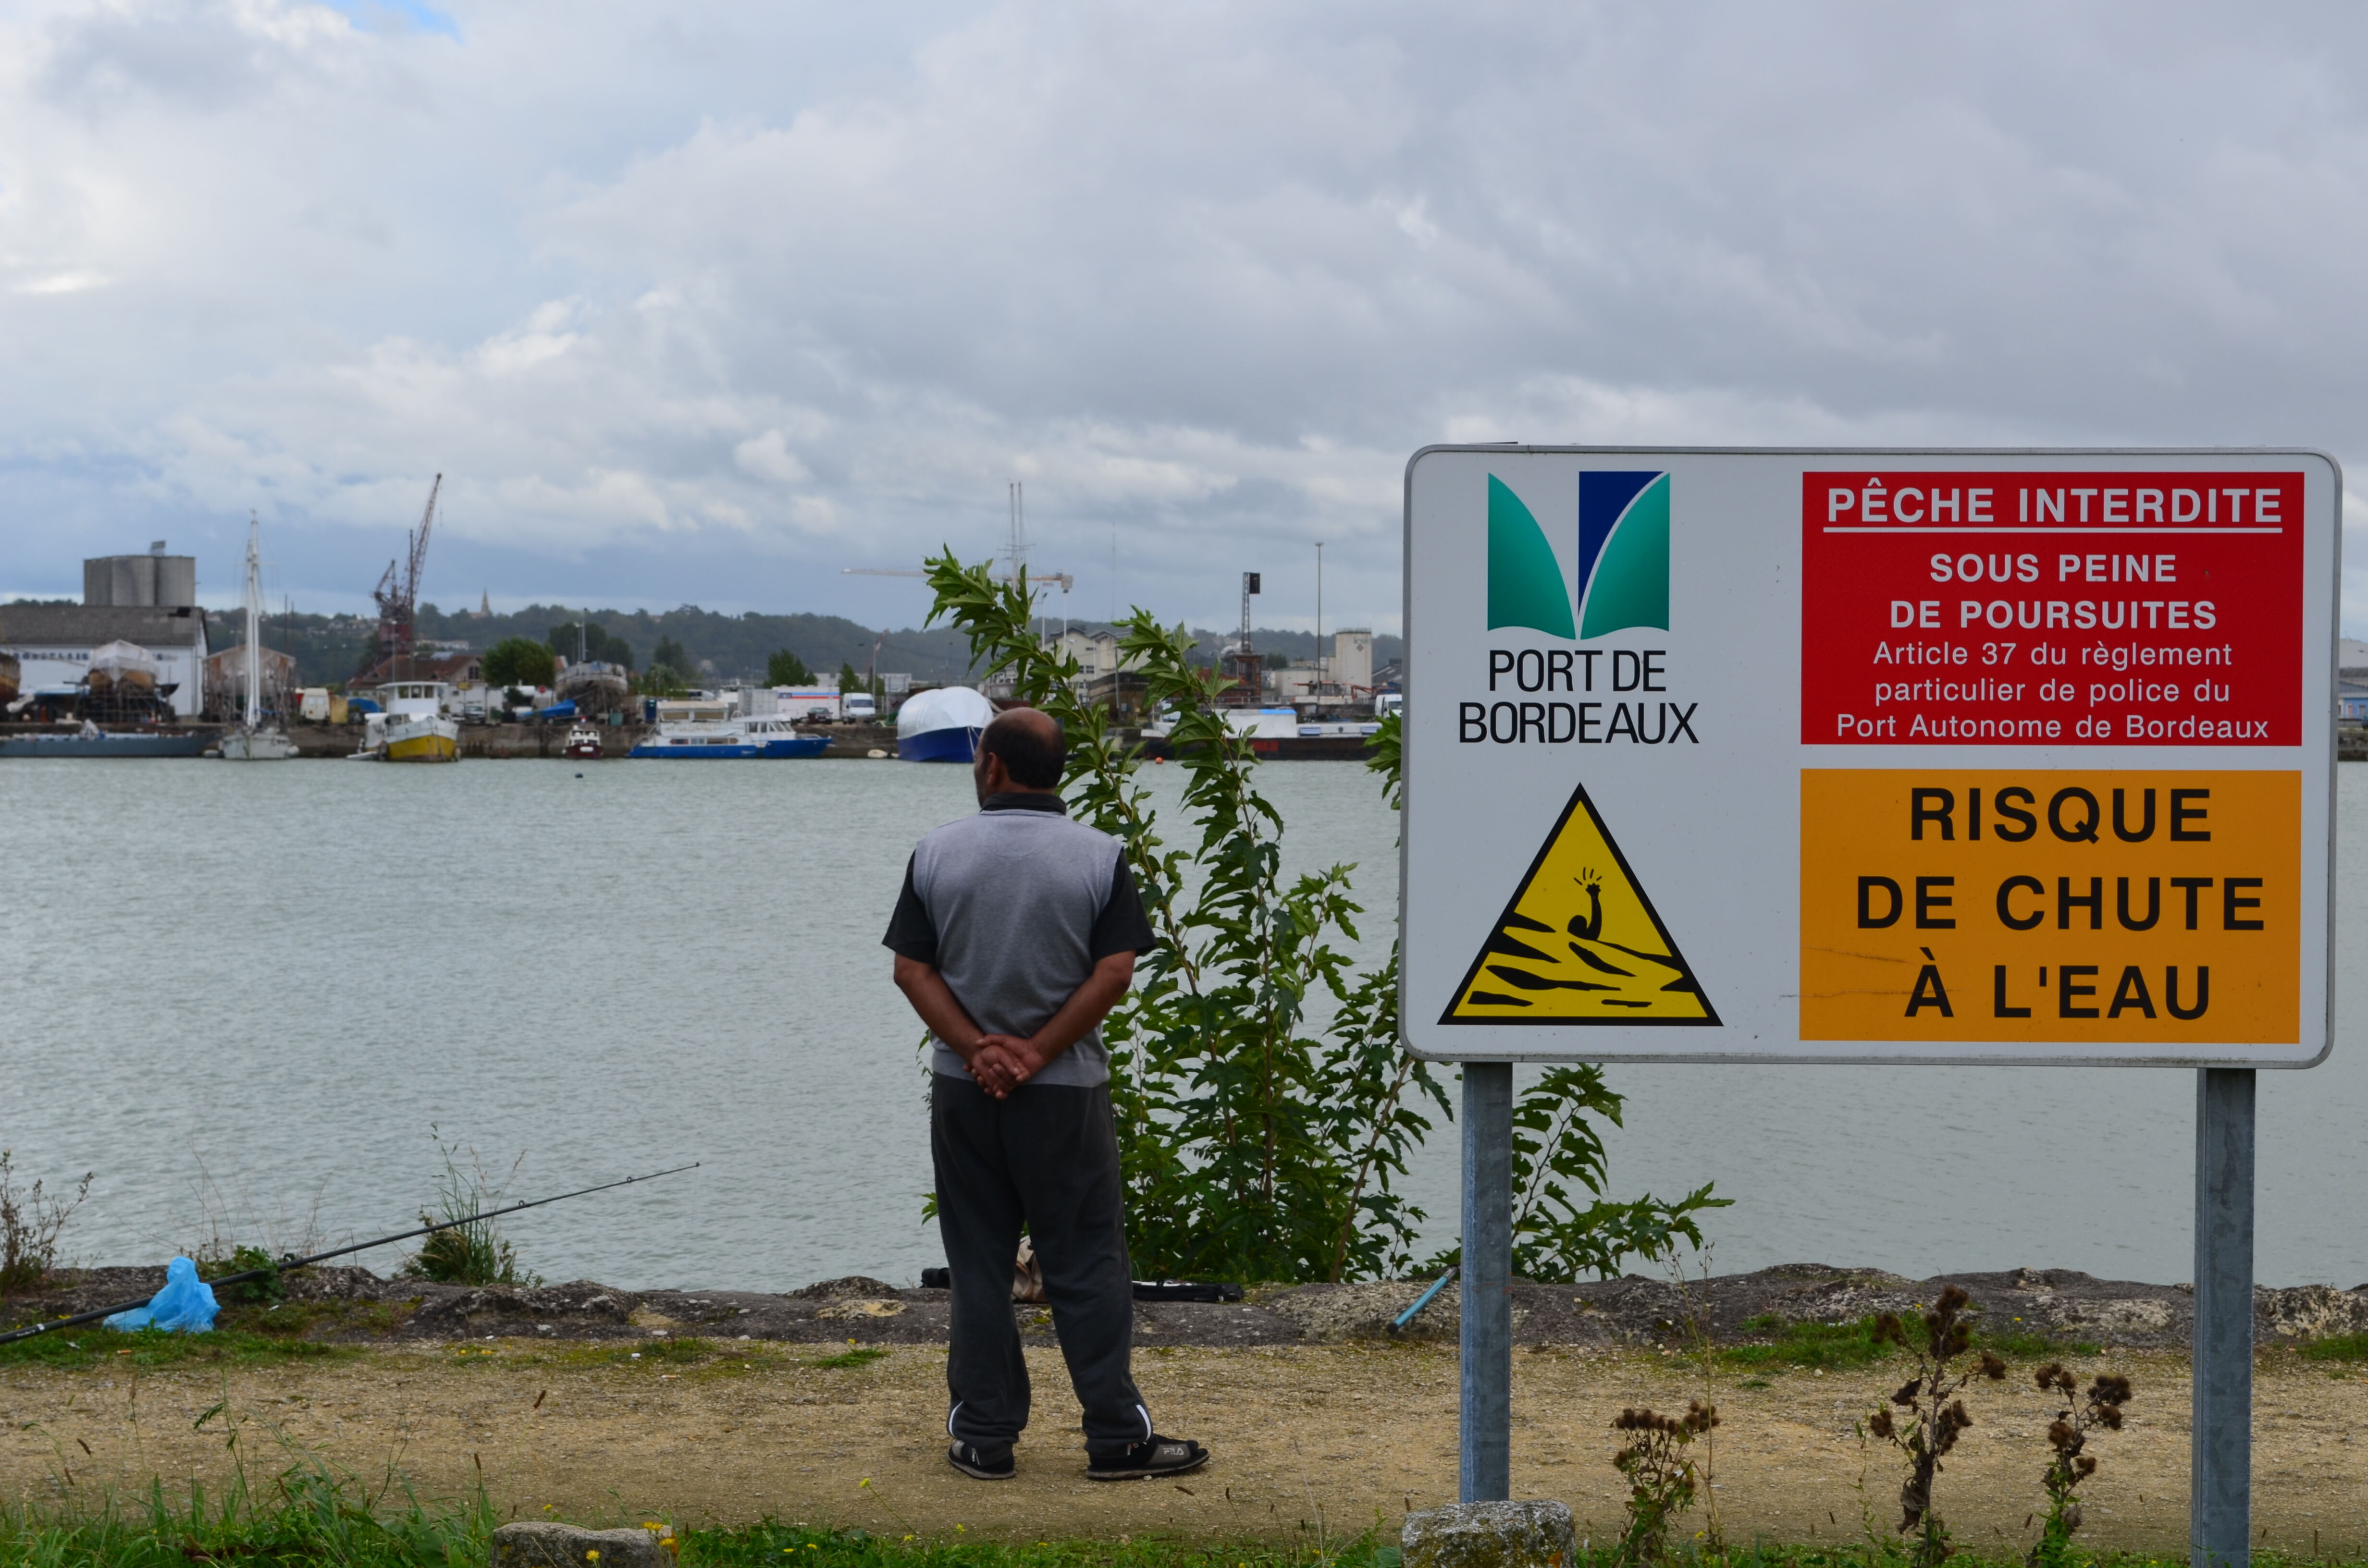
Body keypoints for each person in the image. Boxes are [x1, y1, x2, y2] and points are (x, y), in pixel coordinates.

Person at [884, 707, 1208, 1483]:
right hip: (1067, 1094)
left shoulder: (936, 854)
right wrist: (1037, 1052)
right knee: (1088, 1262)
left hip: (966, 1093)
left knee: (978, 1260)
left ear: (992, 767)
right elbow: (1116, 972)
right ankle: (1115, 1438)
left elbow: (911, 970)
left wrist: (978, 1050)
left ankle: (985, 1436)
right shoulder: (1101, 858)